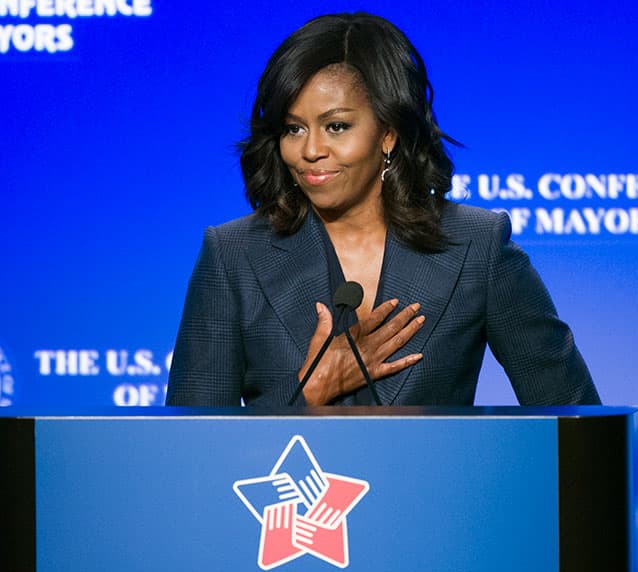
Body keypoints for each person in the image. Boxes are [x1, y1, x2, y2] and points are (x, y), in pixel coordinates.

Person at [166, 12, 600, 407]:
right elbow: (189, 454)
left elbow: (581, 427)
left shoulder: (476, 246)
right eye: (293, 129)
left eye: (337, 127)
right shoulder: (233, 254)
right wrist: (312, 391)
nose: (311, 150)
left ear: (388, 133)